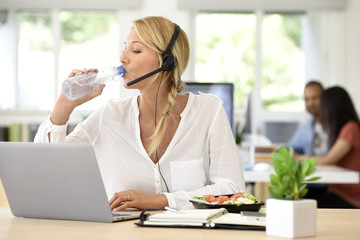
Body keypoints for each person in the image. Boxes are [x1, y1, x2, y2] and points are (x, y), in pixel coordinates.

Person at [34, 16, 245, 210]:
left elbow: (231, 188)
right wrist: (64, 105)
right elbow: (47, 169)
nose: (123, 58)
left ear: (167, 60)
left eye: (135, 50)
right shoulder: (110, 115)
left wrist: (159, 200)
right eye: (124, 49)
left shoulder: (208, 110)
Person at [300, 86, 360, 208]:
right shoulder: (343, 128)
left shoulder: (351, 128)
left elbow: (329, 159)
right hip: (337, 189)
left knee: (303, 204)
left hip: (348, 195)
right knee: (294, 197)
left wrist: (299, 158)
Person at [287, 81, 328, 155]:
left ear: (325, 98)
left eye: (315, 98)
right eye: (306, 99)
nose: (310, 103)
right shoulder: (306, 127)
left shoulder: (335, 124)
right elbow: (290, 147)